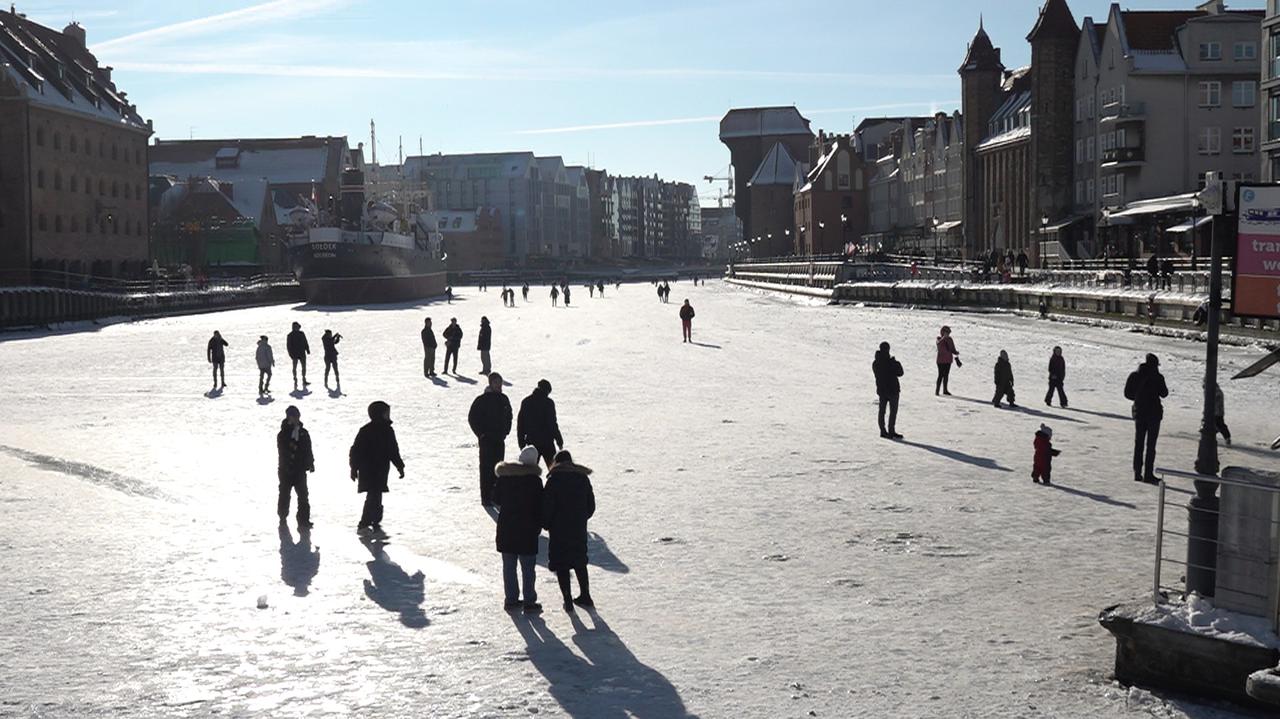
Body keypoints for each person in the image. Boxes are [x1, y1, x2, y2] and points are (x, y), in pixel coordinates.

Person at [544, 449, 595, 612]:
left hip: (558, 530)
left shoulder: (553, 480)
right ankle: (585, 595)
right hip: (578, 528)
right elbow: (591, 505)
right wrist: (581, 519)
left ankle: (568, 600)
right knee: (580, 561)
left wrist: (546, 523)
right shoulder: (582, 478)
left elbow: (547, 507)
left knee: (562, 564)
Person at [495, 445, 544, 614]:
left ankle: (511, 600)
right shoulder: (535, 481)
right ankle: (529, 601)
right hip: (527, 530)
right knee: (528, 568)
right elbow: (541, 506)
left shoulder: (506, 477)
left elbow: (495, 498)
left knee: (509, 567)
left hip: (507, 529)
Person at [349, 400, 405, 534]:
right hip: (368, 469)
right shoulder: (366, 431)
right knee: (373, 495)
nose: (388, 416)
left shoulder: (388, 431)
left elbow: (393, 451)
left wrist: (399, 466)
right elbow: (356, 450)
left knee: (377, 495)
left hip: (381, 470)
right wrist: (353, 468)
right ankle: (364, 523)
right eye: (386, 413)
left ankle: (375, 520)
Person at [468, 372, 512, 507]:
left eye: (500, 383)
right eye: (496, 383)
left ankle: (497, 496)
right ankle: (486, 497)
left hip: (499, 439)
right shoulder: (482, 400)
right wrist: (480, 434)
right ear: (490, 383)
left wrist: (506, 431)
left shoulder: (504, 399)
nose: (499, 385)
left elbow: (509, 416)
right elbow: (472, 418)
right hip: (486, 440)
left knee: (499, 469)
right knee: (486, 469)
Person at [1124, 354, 1169, 484]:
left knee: (1139, 443)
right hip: (1154, 414)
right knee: (1151, 445)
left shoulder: (1135, 375)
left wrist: (1138, 399)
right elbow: (1164, 393)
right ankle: (1148, 474)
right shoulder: (1158, 377)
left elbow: (1127, 393)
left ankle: (1137, 473)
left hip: (1139, 413)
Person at [277, 405, 315, 528]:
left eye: (298, 416)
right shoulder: (283, 434)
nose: (297, 418)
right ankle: (283, 516)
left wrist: (310, 463)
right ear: (289, 417)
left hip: (300, 470)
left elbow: (308, 449)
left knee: (303, 495)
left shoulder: (304, 433)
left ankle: (304, 520)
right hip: (286, 470)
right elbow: (283, 450)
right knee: (285, 494)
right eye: (294, 416)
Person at [518, 379, 564, 467]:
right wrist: (559, 440)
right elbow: (552, 424)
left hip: (532, 442)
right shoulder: (548, 403)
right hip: (547, 442)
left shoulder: (526, 401)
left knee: (530, 471)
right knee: (554, 470)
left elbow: (521, 424)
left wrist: (521, 443)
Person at [872, 341, 904, 439]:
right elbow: (900, 373)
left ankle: (883, 431)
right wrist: (894, 362)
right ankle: (891, 431)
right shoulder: (891, 362)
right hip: (893, 389)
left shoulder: (876, 362)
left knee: (882, 411)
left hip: (882, 390)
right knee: (892, 412)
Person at [935, 326, 960, 396]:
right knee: (940, 375)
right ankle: (937, 390)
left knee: (946, 375)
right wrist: (944, 338)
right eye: (947, 332)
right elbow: (939, 345)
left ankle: (945, 390)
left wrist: (956, 353)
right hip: (940, 361)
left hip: (948, 360)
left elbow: (952, 349)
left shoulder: (950, 339)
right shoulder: (939, 339)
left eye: (948, 333)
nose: (948, 334)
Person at [286, 321, 310, 390]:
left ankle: (304, 379)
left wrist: (307, 349)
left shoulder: (301, 334)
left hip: (302, 353)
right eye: (296, 327)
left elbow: (305, 341)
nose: (297, 328)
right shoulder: (290, 335)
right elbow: (288, 346)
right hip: (295, 354)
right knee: (295, 368)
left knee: (303, 367)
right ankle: (295, 379)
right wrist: (290, 354)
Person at [1211, 381, 1231, 446]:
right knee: (1216, 424)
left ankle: (1227, 437)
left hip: (1217, 412)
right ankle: (1213, 434)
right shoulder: (1216, 391)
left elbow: (1215, 399)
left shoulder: (1216, 391)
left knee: (1219, 424)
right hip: (1217, 411)